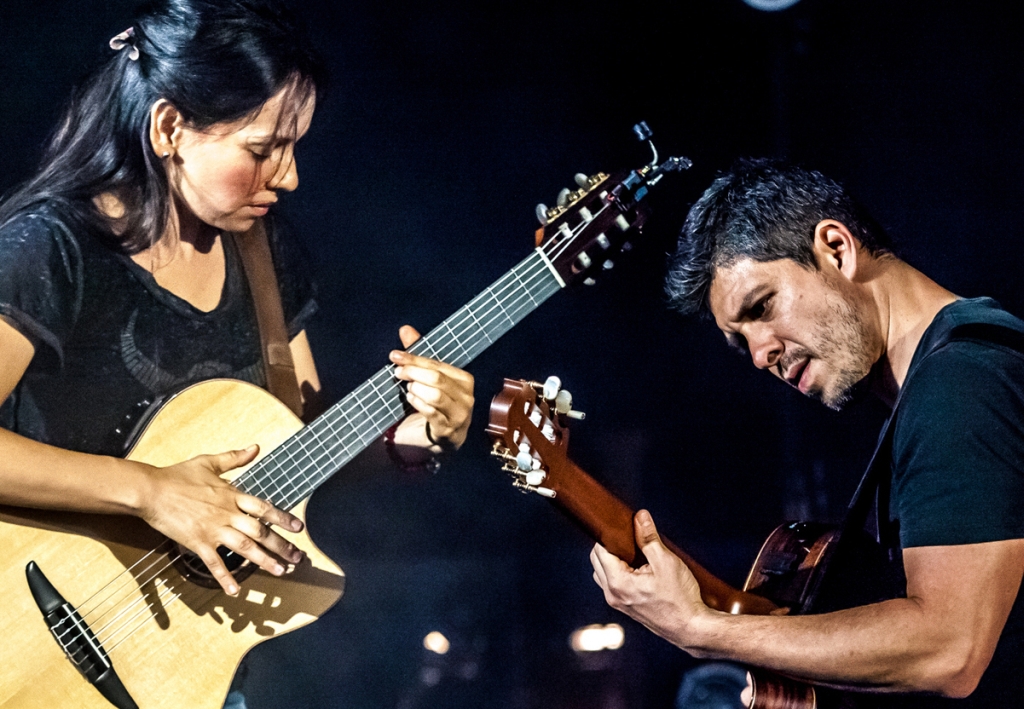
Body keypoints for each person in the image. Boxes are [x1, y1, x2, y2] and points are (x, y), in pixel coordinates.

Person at [0, 0, 474, 704]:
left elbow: (303, 448)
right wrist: (151, 490)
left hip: (183, 677)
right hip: (30, 632)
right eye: (261, 149)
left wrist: (415, 434)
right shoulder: (52, 248)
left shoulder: (265, 253)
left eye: (294, 148)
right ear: (169, 128)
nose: (287, 178)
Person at [590, 159, 1024, 706]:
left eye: (762, 306)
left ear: (837, 248)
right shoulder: (936, 390)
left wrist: (702, 629)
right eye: (740, 340)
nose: (759, 354)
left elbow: (948, 649)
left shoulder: (961, 382)